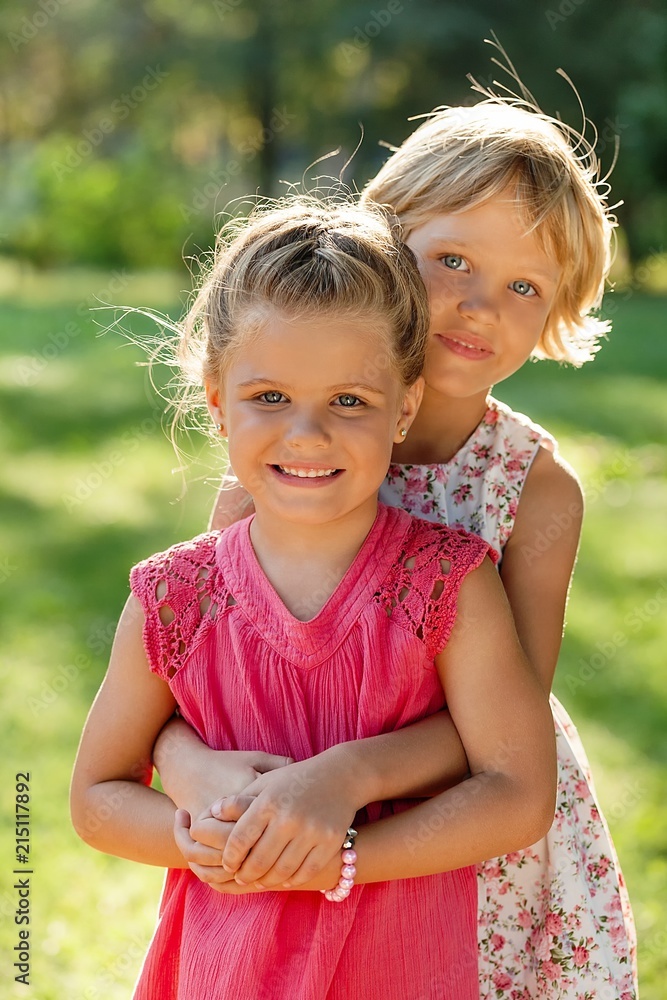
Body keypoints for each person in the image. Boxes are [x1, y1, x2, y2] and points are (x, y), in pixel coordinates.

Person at [159, 80, 638, 999]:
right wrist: (195, 770)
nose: (476, 305)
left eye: (523, 286)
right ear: (385, 243)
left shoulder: (531, 491)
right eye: (451, 260)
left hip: (453, 841)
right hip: (283, 808)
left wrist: (348, 778)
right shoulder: (284, 458)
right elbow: (191, 666)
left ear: (555, 315)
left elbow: (503, 729)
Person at [70, 199, 557, 1000]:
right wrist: (202, 838)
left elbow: (517, 793)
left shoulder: (447, 581)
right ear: (216, 397)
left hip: (401, 966)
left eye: (349, 402)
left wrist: (342, 858)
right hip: (223, 970)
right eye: (268, 398)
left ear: (403, 407)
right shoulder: (173, 598)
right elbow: (96, 798)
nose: (306, 434)